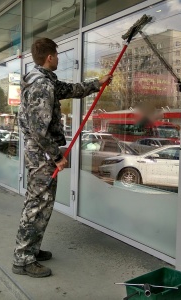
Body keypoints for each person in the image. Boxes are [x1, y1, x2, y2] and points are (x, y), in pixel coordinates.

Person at [13, 37, 112, 278]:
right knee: (36, 204)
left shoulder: (44, 80)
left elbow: (69, 89)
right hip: (41, 154)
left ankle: (32, 250)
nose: (58, 59)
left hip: (40, 152)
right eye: (57, 55)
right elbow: (39, 129)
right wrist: (56, 156)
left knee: (43, 203)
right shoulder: (41, 86)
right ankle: (23, 259)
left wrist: (97, 83)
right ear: (50, 57)